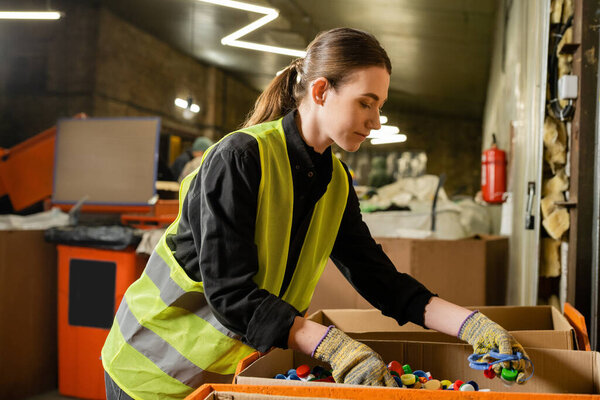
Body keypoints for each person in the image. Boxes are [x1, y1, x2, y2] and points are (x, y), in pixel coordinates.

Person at [102, 28, 529, 399]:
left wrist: (473, 327)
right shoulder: (239, 158)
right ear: (322, 91)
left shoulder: (336, 183)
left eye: (379, 106)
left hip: (221, 375)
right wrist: (334, 347)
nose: (376, 121)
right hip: (148, 373)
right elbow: (230, 292)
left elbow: (381, 281)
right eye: (366, 102)